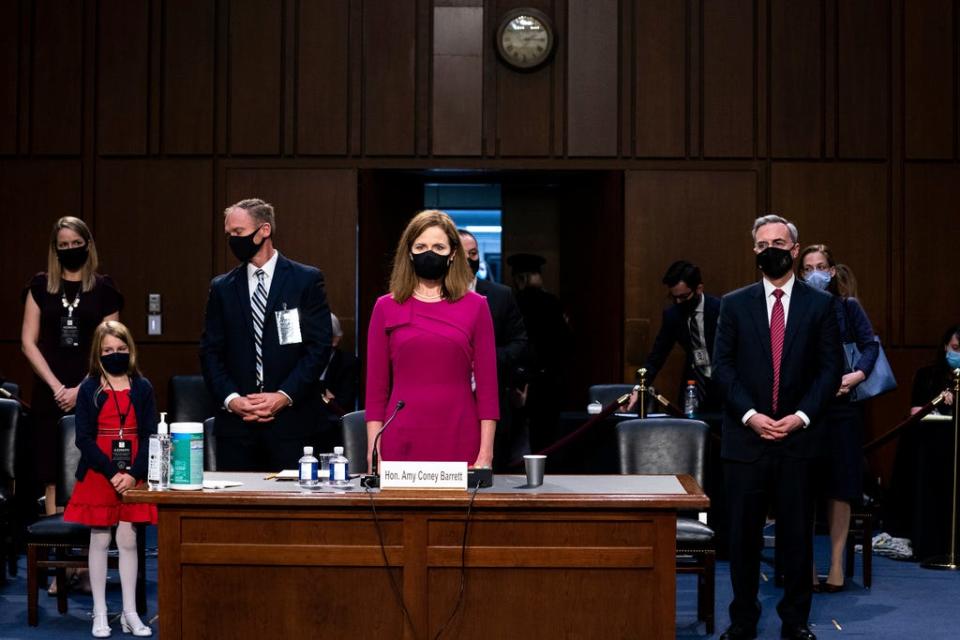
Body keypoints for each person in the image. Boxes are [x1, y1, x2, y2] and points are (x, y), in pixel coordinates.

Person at [713, 215, 842, 640]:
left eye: (779, 241)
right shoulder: (733, 303)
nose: (771, 247)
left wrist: (800, 417)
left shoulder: (820, 305)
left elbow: (829, 371)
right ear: (755, 251)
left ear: (793, 248)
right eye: (763, 242)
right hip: (746, 440)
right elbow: (723, 369)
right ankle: (743, 621)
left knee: (796, 539)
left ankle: (795, 623)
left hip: (798, 440)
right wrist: (751, 416)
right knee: (743, 540)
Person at [200, 198, 333, 471]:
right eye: (229, 235)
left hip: (293, 426)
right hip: (237, 428)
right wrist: (232, 400)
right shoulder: (222, 287)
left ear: (264, 230)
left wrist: (283, 395)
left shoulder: (305, 280)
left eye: (238, 232)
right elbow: (210, 352)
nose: (232, 240)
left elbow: (318, 348)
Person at [365, 210, 498, 470]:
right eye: (421, 246)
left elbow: (488, 390)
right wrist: (373, 452)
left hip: (460, 434)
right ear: (409, 252)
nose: (430, 253)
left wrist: (486, 454)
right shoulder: (385, 307)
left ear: (452, 254)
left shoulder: (477, 307)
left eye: (438, 246)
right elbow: (375, 392)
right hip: (401, 438)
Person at [21, 216, 123, 516]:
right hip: (49, 391)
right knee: (53, 475)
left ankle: (85, 554)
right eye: (63, 245)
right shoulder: (40, 286)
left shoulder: (104, 288)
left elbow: (111, 346)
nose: (70, 249)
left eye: (76, 244)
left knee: (88, 471)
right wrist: (57, 388)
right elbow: (28, 342)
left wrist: (81, 389)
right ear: (55, 249)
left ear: (88, 246)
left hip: (92, 389)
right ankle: (59, 549)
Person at [63, 321, 156, 637]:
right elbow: (84, 439)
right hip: (99, 471)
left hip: (134, 474)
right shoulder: (89, 388)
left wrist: (132, 474)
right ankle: (100, 613)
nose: (114, 355)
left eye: (120, 349)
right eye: (107, 351)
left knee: (129, 541)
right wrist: (113, 472)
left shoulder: (142, 387)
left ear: (129, 350)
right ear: (97, 354)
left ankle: (130, 612)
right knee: (100, 539)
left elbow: (149, 435)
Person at [797, 247, 878, 592]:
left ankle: (836, 565)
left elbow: (870, 345)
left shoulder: (847, 305)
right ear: (801, 274)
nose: (815, 273)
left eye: (821, 267)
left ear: (831, 272)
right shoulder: (795, 307)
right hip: (806, 408)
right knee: (805, 487)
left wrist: (855, 376)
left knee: (841, 487)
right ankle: (807, 566)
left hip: (843, 409)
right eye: (809, 268)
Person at [884, 324, 959, 560]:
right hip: (930, 443)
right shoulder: (928, 374)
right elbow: (916, 410)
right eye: (955, 348)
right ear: (946, 346)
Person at [459, 229, 528, 469]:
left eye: (474, 253)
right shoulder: (437, 296)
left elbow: (520, 342)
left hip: (494, 397)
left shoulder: (501, 295)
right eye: (463, 254)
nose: (470, 260)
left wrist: (486, 360)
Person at [635, 260, 721, 412]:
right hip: (692, 388)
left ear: (699, 289)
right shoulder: (673, 315)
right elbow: (657, 356)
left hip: (722, 386)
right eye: (673, 297)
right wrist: (640, 386)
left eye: (683, 296)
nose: (678, 302)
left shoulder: (720, 309)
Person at [508, 253, 570, 454]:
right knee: (548, 439)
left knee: (519, 441)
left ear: (519, 278)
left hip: (521, 380)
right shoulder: (552, 302)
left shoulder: (514, 302)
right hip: (550, 381)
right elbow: (566, 342)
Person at [316, 313, 359, 449]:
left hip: (333, 428)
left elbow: (343, 401)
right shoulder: (298, 361)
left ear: (335, 339)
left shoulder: (348, 362)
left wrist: (318, 392)